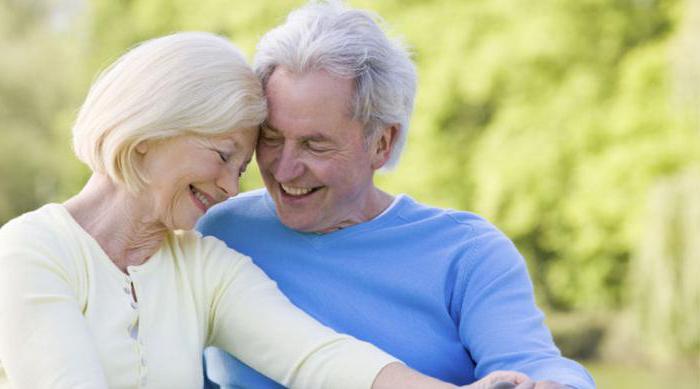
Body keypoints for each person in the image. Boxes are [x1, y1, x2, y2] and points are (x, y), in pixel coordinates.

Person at [0, 32, 527, 389]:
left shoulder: (200, 264)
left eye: (243, 167)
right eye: (224, 156)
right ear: (148, 136)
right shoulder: (31, 251)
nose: (232, 187)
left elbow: (322, 358)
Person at [198, 2, 596, 389]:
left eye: (314, 145)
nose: (284, 170)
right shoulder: (217, 233)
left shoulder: (467, 253)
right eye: (271, 139)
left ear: (382, 143)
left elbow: (529, 363)